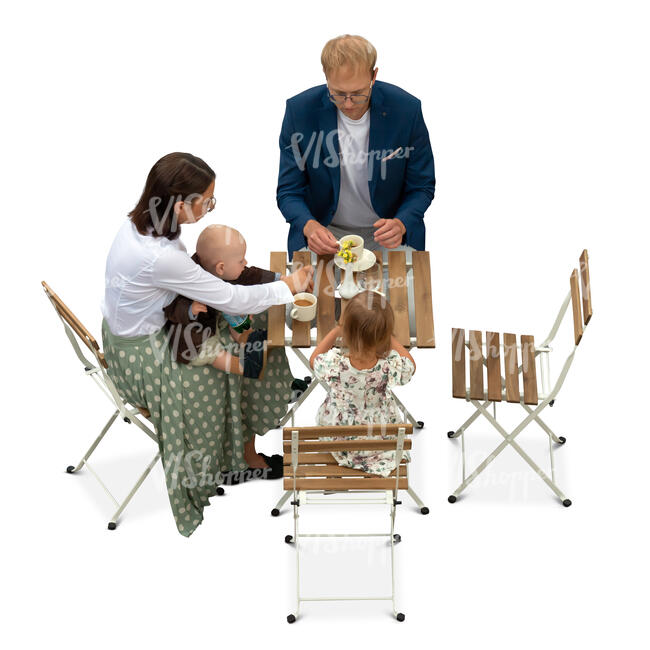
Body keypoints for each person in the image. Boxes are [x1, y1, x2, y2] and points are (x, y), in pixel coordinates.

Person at [101, 152, 313, 535]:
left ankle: (268, 398)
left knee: (259, 318)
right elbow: (231, 300)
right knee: (256, 338)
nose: (210, 207)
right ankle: (243, 457)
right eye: (207, 200)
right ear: (181, 203)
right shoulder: (162, 257)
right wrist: (289, 286)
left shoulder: (142, 227)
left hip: (133, 334)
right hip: (149, 356)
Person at [277, 34, 435, 259]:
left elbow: (422, 186)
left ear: (374, 76)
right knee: (310, 293)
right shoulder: (299, 111)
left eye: (358, 94)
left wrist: (401, 223)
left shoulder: (407, 110)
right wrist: (309, 226)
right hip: (324, 231)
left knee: (405, 293)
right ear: (326, 77)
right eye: (339, 94)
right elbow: (288, 190)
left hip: (388, 232)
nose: (348, 104)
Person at [309, 291, 416, 476]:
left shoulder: (335, 364)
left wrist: (336, 330)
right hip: (378, 438)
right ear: (383, 334)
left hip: (340, 439)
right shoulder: (388, 367)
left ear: (347, 332)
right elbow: (410, 365)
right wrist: (387, 336)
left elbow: (313, 359)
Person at [163, 224, 274, 379]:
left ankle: (249, 339)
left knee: (236, 315)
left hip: (213, 319)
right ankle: (247, 367)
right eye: (241, 261)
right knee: (215, 354)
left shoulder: (217, 267)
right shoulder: (188, 278)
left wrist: (278, 278)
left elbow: (247, 275)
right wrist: (189, 309)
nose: (245, 262)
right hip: (193, 337)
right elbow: (170, 308)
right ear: (221, 268)